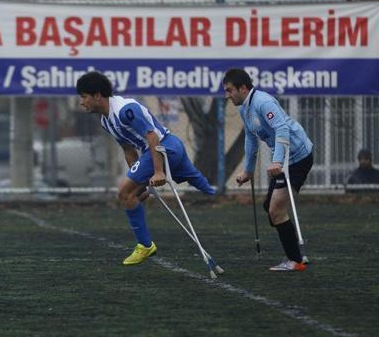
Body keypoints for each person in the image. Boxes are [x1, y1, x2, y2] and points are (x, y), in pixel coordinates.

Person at [76, 71, 215, 266]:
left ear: (97, 95)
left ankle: (145, 245)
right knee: (207, 189)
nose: (81, 102)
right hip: (164, 150)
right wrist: (138, 180)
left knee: (124, 193)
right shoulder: (106, 120)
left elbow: (152, 136)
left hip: (165, 148)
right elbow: (127, 148)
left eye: (84, 96)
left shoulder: (125, 110)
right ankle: (217, 195)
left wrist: (157, 172)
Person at [223, 68, 314, 272]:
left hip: (298, 156)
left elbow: (281, 128)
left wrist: (278, 161)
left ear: (243, 88)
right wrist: (247, 170)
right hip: (284, 159)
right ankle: (293, 247)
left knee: (276, 210)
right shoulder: (244, 108)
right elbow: (250, 138)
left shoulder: (263, 102)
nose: (227, 95)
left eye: (230, 90)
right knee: (269, 207)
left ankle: (295, 261)